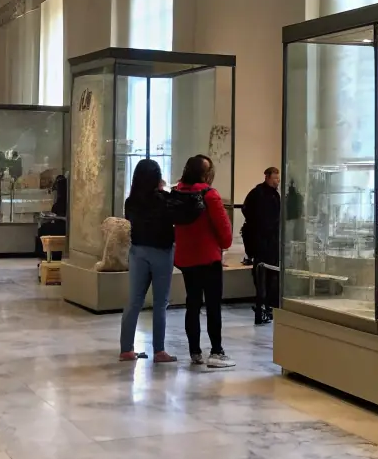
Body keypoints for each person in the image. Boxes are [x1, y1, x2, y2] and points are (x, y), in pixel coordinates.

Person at [173, 154, 234, 369]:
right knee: (213, 305)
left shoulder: (177, 193)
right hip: (209, 259)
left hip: (187, 259)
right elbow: (226, 236)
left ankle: (194, 351)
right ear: (206, 174)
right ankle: (216, 351)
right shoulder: (210, 195)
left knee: (192, 304)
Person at [119, 158, 177, 363]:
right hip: (161, 252)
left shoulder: (131, 201)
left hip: (138, 251)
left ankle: (126, 349)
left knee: (134, 301)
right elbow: (175, 217)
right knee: (160, 303)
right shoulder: (164, 199)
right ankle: (159, 350)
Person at [242, 166, 282, 325]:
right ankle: (262, 307)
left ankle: (267, 307)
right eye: (274, 178)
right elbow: (248, 211)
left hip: (271, 241)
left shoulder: (274, 195)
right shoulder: (257, 193)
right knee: (262, 276)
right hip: (261, 241)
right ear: (267, 177)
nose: (277, 181)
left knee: (271, 276)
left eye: (278, 179)